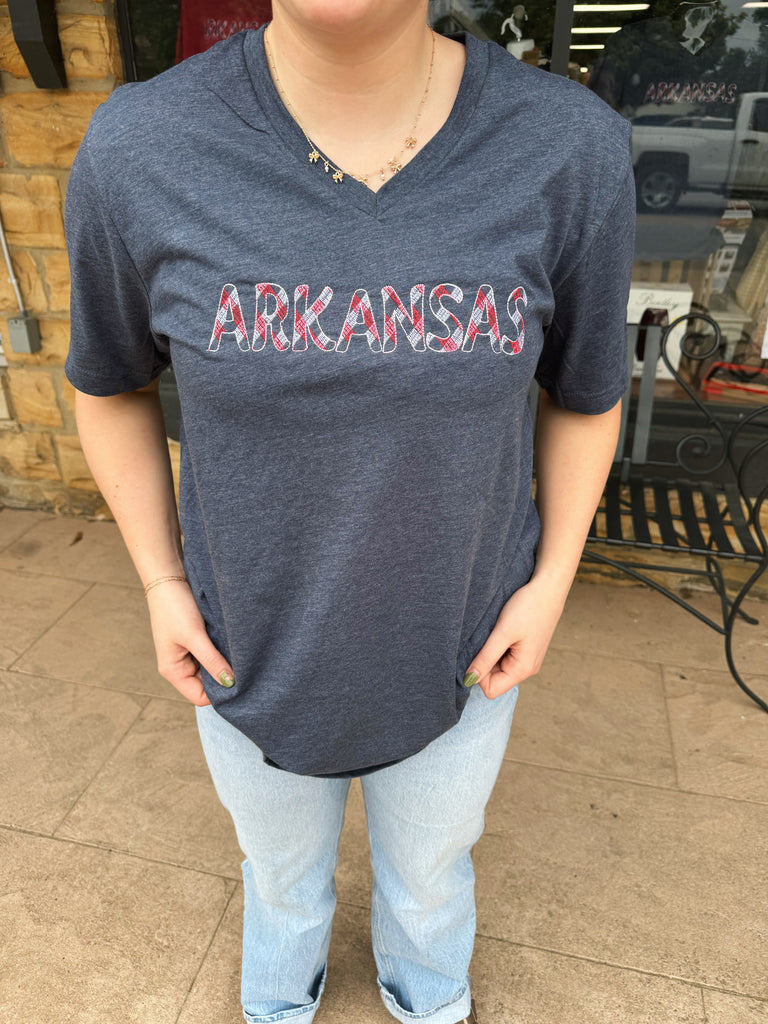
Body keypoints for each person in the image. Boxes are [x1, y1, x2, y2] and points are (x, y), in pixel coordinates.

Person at [64, 2, 635, 1021]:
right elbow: (108, 382)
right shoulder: (143, 147)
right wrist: (158, 580)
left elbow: (588, 393)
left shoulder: (565, 147)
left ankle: (429, 998)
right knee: (279, 877)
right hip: (245, 647)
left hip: (466, 641)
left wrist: (552, 583)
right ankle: (281, 1000)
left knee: (432, 876)